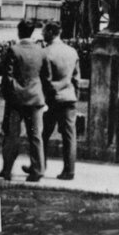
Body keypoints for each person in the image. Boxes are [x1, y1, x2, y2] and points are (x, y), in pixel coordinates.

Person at [0, 19, 48, 182]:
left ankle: (7, 170)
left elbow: (7, 76)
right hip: (35, 99)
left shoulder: (14, 50)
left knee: (12, 136)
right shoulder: (41, 50)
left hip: (16, 101)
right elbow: (46, 76)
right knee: (36, 136)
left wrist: (11, 93)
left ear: (19, 31)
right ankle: (38, 170)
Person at [40, 20, 81, 181]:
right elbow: (76, 78)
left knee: (42, 134)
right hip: (69, 98)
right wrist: (74, 96)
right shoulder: (72, 51)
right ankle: (69, 170)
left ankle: (40, 166)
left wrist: (46, 96)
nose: (42, 34)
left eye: (44, 31)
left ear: (50, 33)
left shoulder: (46, 52)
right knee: (69, 136)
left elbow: (45, 79)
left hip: (51, 100)